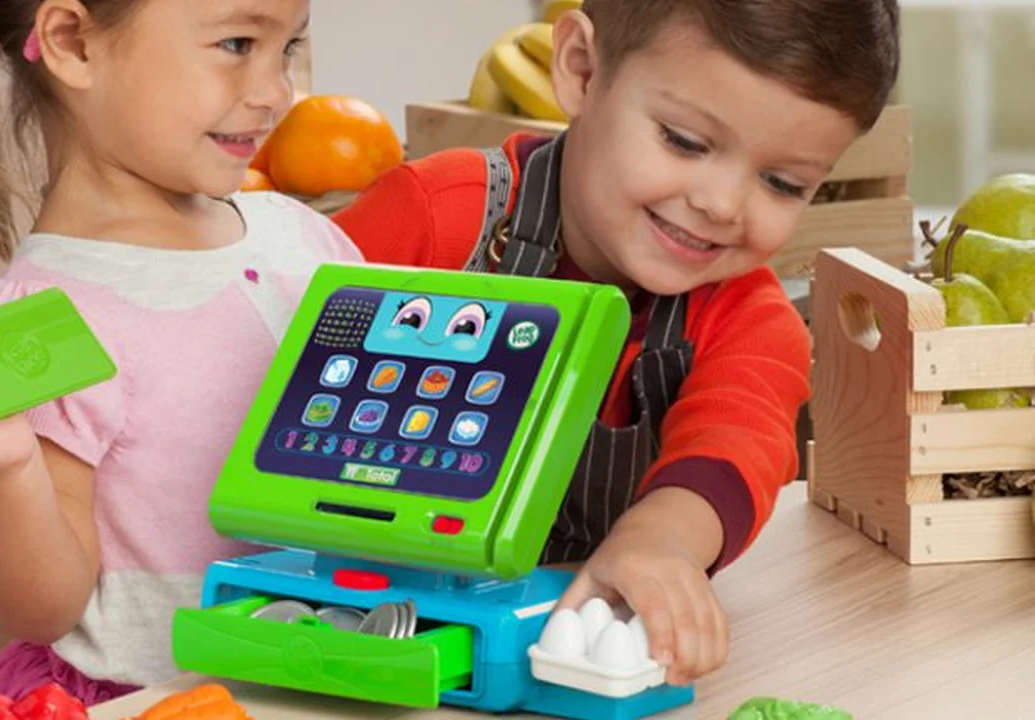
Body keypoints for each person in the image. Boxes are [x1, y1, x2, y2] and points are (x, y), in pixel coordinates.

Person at [333, 0, 899, 689]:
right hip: (355, 645)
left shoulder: (748, 319)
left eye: (783, 183)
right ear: (580, 69)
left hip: (578, 673)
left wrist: (664, 541)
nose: (721, 204)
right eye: (685, 141)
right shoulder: (433, 219)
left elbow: (737, 441)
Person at [0, 0, 360, 715]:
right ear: (74, 42)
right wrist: (10, 467)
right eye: (237, 44)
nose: (275, 91)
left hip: (323, 676)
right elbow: (40, 610)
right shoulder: (39, 317)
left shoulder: (302, 238)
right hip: (147, 698)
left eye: (286, 48)